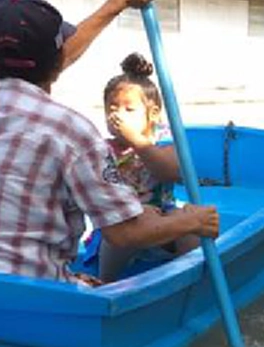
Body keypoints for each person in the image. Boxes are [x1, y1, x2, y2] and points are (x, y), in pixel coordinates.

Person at [0, 0, 219, 287]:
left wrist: (121, 0)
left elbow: (50, 60)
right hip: (34, 294)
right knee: (161, 230)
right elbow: (125, 233)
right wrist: (193, 219)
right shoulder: (72, 132)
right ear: (55, 61)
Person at [77, 52, 201, 282]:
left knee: (192, 228)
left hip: (164, 219)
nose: (118, 115)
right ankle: (106, 281)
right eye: (112, 108)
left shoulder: (164, 139)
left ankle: (189, 280)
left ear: (153, 114)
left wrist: (136, 140)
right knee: (119, 228)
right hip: (124, 227)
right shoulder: (102, 148)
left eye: (129, 110)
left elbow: (171, 171)